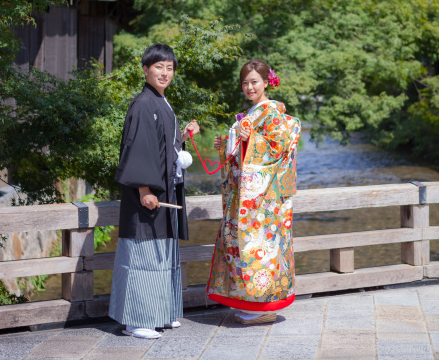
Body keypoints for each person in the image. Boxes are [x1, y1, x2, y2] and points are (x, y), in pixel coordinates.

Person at [108, 43, 200, 339]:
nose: (165, 72)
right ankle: (137, 320)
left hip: (165, 194)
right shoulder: (143, 104)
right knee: (144, 256)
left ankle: (161, 312)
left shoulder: (161, 102)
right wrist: (144, 188)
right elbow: (137, 150)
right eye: (159, 67)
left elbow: (164, 147)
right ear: (145, 69)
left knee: (161, 254)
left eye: (170, 68)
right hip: (146, 196)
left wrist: (183, 136)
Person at [207, 59, 301, 324]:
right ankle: (250, 303)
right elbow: (245, 150)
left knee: (260, 247)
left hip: (264, 199)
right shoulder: (253, 112)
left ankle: (263, 306)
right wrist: (228, 142)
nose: (249, 87)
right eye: (245, 83)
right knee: (241, 244)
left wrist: (251, 140)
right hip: (249, 196)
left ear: (266, 82)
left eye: (254, 82)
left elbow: (278, 148)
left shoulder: (272, 112)